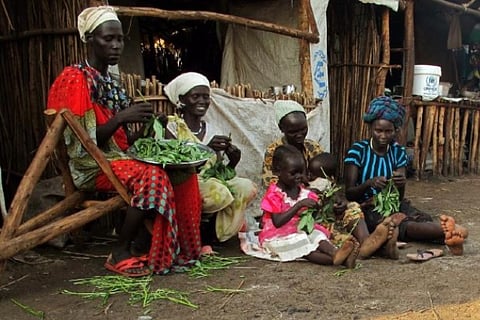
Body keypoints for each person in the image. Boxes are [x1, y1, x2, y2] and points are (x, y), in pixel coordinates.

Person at [47, 6, 202, 276]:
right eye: (108, 39)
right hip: (92, 167)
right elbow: (84, 143)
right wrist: (121, 118)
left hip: (118, 160)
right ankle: (120, 249)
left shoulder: (109, 82)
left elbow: (121, 144)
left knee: (184, 173)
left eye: (119, 39)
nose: (116, 45)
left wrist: (146, 127)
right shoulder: (75, 79)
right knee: (153, 176)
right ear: (89, 39)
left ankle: (180, 249)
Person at [344, 96, 467, 257]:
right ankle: (451, 232)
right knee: (406, 225)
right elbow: (349, 193)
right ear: (370, 128)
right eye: (378, 130)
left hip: (395, 205)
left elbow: (399, 197)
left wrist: (401, 184)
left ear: (396, 130)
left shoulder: (397, 152)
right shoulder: (358, 150)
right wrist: (369, 184)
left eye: (388, 131)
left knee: (420, 218)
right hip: (368, 207)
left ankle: (451, 233)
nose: (383, 136)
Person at [164, 72, 257, 245]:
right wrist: (207, 149)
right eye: (195, 96)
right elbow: (175, 164)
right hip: (184, 180)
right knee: (219, 193)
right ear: (182, 100)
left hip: (210, 179)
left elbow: (217, 169)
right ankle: (203, 234)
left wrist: (233, 160)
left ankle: (217, 233)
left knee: (246, 187)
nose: (202, 101)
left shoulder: (212, 128)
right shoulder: (172, 128)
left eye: (206, 97)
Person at [255, 145, 358, 267]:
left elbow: (312, 215)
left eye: (301, 172)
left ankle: (335, 252)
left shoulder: (303, 191)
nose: (299, 176)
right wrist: (299, 205)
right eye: (293, 173)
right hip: (277, 235)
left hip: (298, 229)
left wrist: (318, 206)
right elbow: (278, 222)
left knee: (318, 236)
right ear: (277, 171)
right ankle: (340, 260)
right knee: (303, 245)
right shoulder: (274, 194)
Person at [262, 100, 323, 187]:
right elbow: (271, 183)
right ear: (281, 128)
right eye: (293, 132)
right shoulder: (273, 152)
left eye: (303, 129)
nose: (299, 135)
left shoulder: (313, 147)